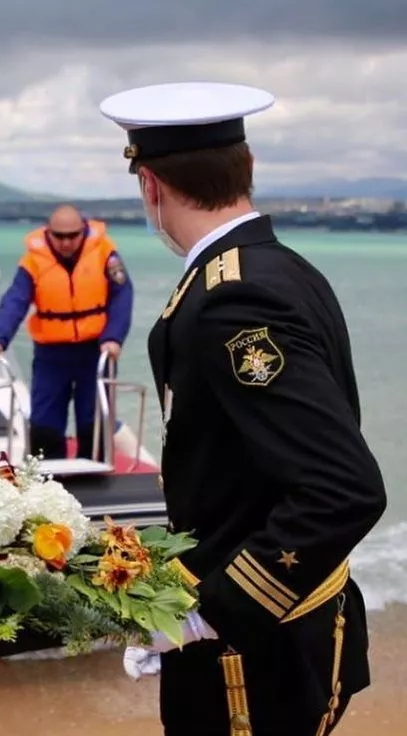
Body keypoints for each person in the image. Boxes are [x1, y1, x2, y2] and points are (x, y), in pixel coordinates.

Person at [99, 81, 386, 735]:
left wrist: (211, 613)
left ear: (149, 184)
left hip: (253, 658)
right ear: (245, 169)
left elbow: (342, 489)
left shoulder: (235, 300)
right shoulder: (277, 269)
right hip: (292, 631)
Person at [0, 204, 134, 460]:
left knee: (93, 418)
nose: (66, 242)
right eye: (59, 236)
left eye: (73, 236)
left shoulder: (105, 253)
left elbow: (122, 296)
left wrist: (114, 338)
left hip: (95, 350)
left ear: (83, 230)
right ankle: (47, 474)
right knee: (44, 419)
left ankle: (95, 475)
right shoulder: (33, 261)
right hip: (51, 353)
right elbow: (14, 301)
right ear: (48, 233)